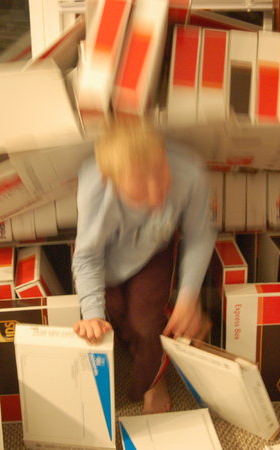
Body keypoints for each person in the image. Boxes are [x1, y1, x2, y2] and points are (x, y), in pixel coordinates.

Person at [71, 119, 217, 414]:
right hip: (105, 260)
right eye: (140, 189)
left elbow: (200, 236)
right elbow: (87, 257)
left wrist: (188, 299)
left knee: (146, 321)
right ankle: (132, 344)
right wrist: (92, 314)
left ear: (164, 154)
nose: (156, 196)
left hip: (153, 251)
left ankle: (152, 381)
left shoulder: (189, 170)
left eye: (161, 175)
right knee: (113, 316)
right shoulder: (94, 186)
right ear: (110, 181)